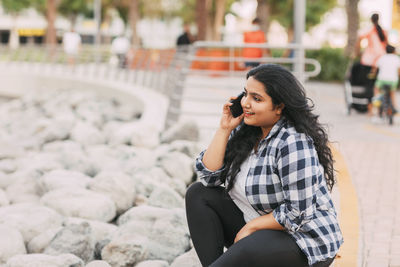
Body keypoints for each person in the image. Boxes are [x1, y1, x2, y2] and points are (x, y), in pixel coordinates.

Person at [185, 64, 343, 267]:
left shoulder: (293, 142)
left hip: (303, 240)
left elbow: (298, 213)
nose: (245, 103)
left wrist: (252, 227)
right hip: (259, 230)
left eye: (256, 98)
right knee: (199, 194)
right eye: (245, 94)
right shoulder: (248, 130)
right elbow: (209, 177)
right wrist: (224, 129)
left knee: (251, 246)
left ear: (279, 107)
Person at [355, 13, 387, 115]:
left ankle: (370, 110)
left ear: (371, 19)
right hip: (381, 61)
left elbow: (359, 37)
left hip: (369, 62)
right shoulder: (383, 31)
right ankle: (381, 109)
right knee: (380, 86)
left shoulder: (370, 29)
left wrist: (357, 52)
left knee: (369, 85)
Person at [371, 44, 400, 113]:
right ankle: (395, 106)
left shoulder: (382, 57)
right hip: (393, 80)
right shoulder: (396, 58)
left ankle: (376, 100)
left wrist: (374, 74)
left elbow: (375, 69)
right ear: (393, 51)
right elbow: (399, 71)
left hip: (382, 79)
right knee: (392, 92)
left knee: (376, 88)